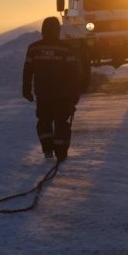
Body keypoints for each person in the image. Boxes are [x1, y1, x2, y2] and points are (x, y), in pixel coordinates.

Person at [22, 17, 80, 161]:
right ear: (58, 30)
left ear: (43, 30)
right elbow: (73, 74)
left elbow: (27, 71)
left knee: (44, 121)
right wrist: (74, 95)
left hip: (43, 94)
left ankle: (48, 150)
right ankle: (61, 153)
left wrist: (26, 90)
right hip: (62, 95)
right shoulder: (66, 48)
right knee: (61, 123)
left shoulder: (33, 48)